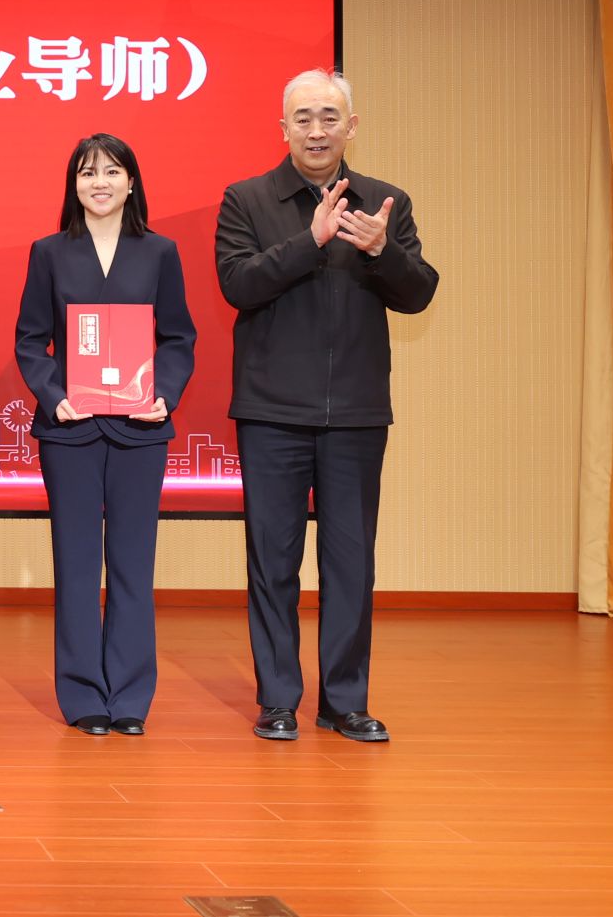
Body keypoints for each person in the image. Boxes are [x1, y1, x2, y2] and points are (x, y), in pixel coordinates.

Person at [215, 70, 438, 743]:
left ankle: (344, 701)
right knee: (273, 562)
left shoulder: (385, 203)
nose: (316, 130)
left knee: (350, 563)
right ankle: (278, 699)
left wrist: (380, 250)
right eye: (303, 118)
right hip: (272, 412)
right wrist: (309, 241)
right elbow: (238, 284)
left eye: (329, 117)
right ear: (283, 128)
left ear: (351, 126)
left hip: (357, 415)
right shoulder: (247, 199)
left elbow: (419, 292)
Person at [14, 133, 196, 736]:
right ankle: (83, 695)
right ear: (74, 184)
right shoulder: (49, 252)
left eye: (112, 172)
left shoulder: (160, 251)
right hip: (70, 430)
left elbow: (178, 337)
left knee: (132, 565)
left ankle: (131, 697)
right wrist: (54, 396)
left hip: (141, 428)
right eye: (88, 173)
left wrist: (164, 393)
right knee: (76, 562)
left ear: (132, 182)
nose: (100, 183)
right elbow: (29, 340)